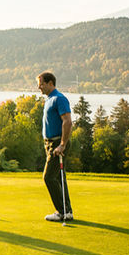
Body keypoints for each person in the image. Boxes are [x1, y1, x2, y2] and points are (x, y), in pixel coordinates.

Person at [38, 71, 73, 222]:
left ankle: (61, 211)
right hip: (51, 143)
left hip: (57, 143)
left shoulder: (59, 99)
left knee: (48, 177)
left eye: (41, 84)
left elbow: (67, 121)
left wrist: (62, 145)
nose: (39, 87)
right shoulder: (49, 99)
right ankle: (68, 212)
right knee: (59, 177)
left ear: (50, 83)